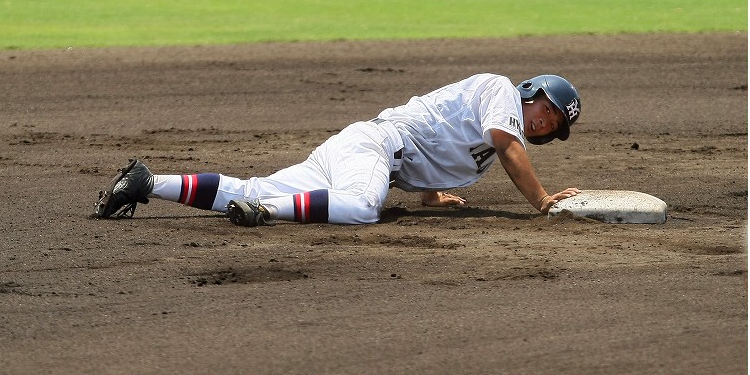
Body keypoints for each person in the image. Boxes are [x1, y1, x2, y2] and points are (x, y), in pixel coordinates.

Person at [93, 74, 581, 225]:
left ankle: (146, 182)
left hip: (359, 149)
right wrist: (541, 200)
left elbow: (433, 141)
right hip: (372, 147)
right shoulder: (500, 94)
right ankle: (263, 211)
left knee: (252, 186)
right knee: (363, 208)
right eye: (547, 110)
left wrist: (431, 197)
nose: (544, 123)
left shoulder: (487, 148)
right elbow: (508, 144)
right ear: (531, 91)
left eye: (553, 125)